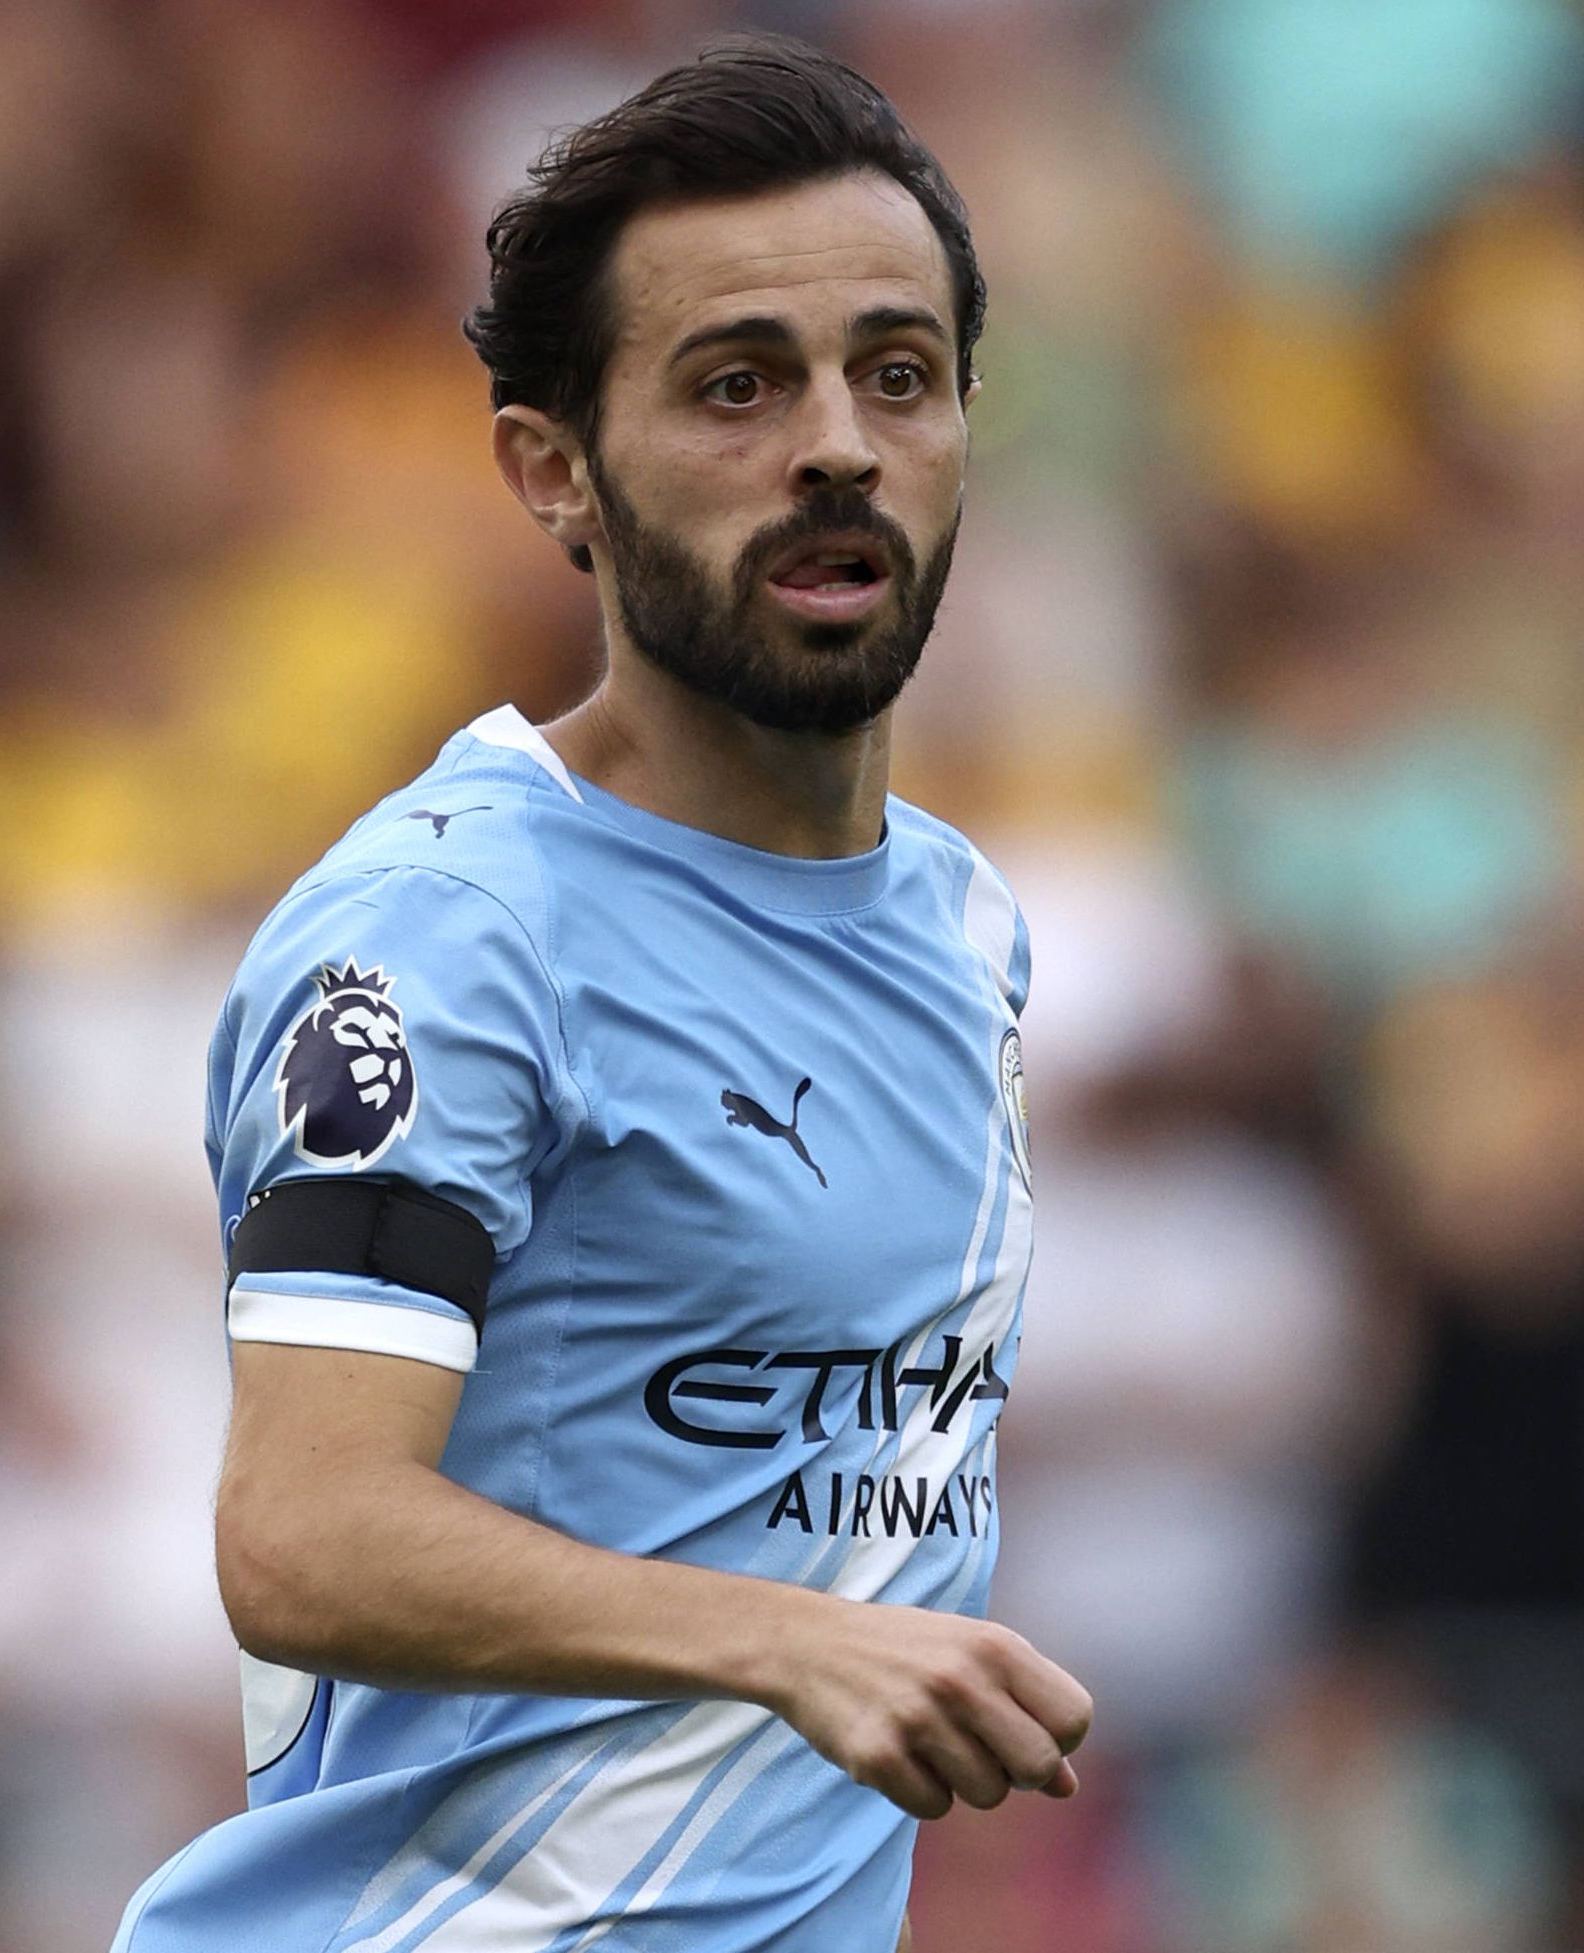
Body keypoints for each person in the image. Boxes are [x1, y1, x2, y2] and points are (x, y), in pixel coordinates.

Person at [112, 37, 1090, 1953]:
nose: (836, 443)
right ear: (552, 472)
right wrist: (791, 1642)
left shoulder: (965, 925)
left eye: (896, 374)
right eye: (738, 384)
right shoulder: (445, 935)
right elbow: (301, 1531)